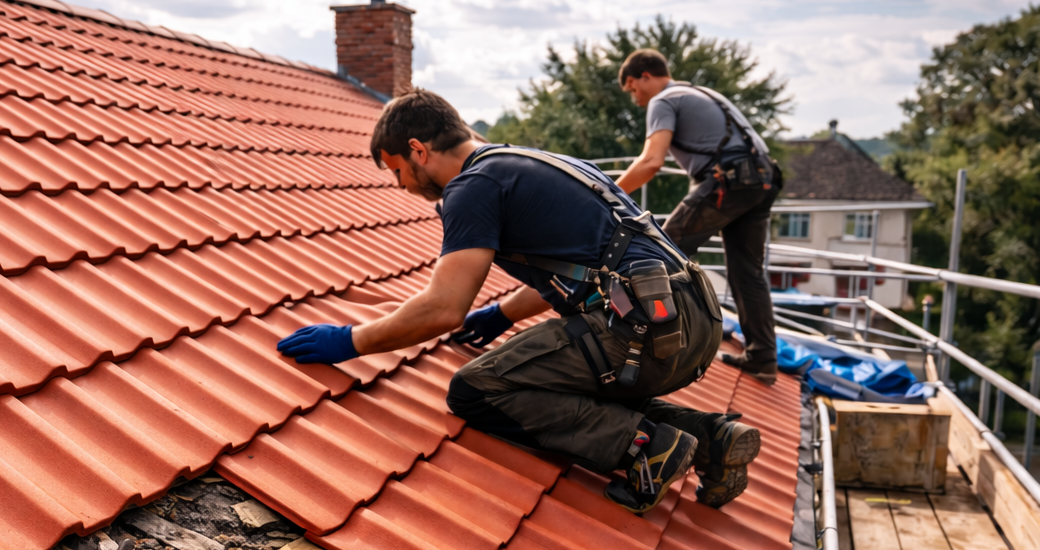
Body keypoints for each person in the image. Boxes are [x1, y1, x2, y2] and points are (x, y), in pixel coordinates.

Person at [275, 90, 762, 514]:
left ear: (418, 150)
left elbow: (443, 308)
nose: (401, 184)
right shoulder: (530, 163)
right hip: (692, 320)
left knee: (478, 390)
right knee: (560, 377)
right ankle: (710, 438)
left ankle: (644, 449)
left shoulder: (472, 186)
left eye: (398, 170)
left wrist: (349, 341)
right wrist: (501, 313)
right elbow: (586, 270)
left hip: (643, 334)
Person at [614, 49, 782, 386]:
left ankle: (631, 343)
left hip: (729, 180)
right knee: (747, 272)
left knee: (656, 252)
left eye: (633, 88)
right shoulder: (699, 93)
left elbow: (651, 162)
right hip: (762, 178)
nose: (636, 99)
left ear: (646, 76)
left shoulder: (664, 100)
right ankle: (763, 358)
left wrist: (608, 194)